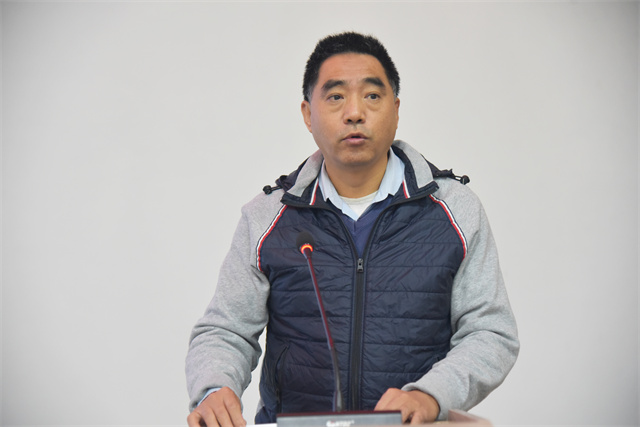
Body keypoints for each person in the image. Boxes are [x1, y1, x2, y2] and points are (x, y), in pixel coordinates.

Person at [186, 32, 519, 427]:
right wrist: (214, 388)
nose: (355, 112)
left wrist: (431, 394)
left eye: (372, 96)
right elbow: (226, 329)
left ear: (396, 109)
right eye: (336, 97)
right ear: (308, 114)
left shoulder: (455, 209)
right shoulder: (267, 217)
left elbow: (490, 332)